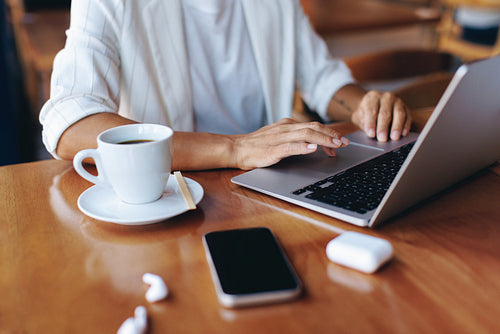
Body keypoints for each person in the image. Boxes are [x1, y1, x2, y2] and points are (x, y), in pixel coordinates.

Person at [39, 0, 412, 171]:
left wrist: (365, 105)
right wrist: (233, 148)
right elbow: (71, 124)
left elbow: (322, 78)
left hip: (269, 178)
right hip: (172, 191)